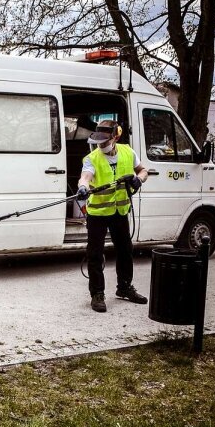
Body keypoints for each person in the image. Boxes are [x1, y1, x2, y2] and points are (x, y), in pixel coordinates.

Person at [76, 120, 148, 313]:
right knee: (95, 254)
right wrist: (82, 187)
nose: (101, 145)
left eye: (105, 141)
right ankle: (97, 294)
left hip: (120, 212)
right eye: (98, 141)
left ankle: (124, 287)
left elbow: (143, 170)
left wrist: (138, 179)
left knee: (125, 250)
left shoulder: (127, 152)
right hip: (98, 213)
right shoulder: (92, 158)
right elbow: (86, 176)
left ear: (116, 136)